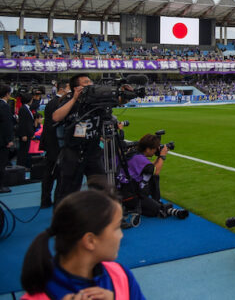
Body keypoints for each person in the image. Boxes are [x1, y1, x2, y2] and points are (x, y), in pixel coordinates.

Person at [20, 189, 146, 299]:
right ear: (90, 241)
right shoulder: (41, 294)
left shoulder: (120, 275)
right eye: (117, 228)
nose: (121, 235)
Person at [52, 74, 105, 203]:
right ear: (76, 87)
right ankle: (65, 217)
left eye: (90, 81)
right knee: (69, 188)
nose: (90, 83)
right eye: (86, 82)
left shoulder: (96, 100)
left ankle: (100, 215)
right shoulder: (69, 99)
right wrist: (75, 98)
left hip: (93, 150)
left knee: (101, 186)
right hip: (74, 151)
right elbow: (56, 117)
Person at [117, 134, 188, 219]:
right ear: (147, 149)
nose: (155, 151)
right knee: (153, 210)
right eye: (154, 149)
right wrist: (162, 156)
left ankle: (156, 204)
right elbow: (155, 172)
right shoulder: (139, 159)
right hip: (130, 195)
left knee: (151, 177)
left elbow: (150, 168)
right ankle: (161, 208)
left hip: (124, 190)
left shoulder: (135, 153)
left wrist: (159, 156)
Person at [41, 81, 67, 207]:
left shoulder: (52, 102)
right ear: (62, 89)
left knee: (49, 173)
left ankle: (45, 200)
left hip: (50, 142)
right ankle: (58, 202)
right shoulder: (59, 103)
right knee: (59, 174)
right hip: (57, 143)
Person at [0, 84, 15, 193]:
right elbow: (6, 124)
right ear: (7, 94)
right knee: (2, 163)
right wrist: (9, 139)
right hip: (2, 140)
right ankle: (1, 185)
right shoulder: (4, 106)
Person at [16, 92, 35, 169]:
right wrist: (23, 134)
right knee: (23, 151)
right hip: (25, 134)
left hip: (28, 133)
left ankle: (23, 165)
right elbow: (23, 122)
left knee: (25, 150)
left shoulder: (26, 108)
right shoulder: (23, 109)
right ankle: (20, 166)